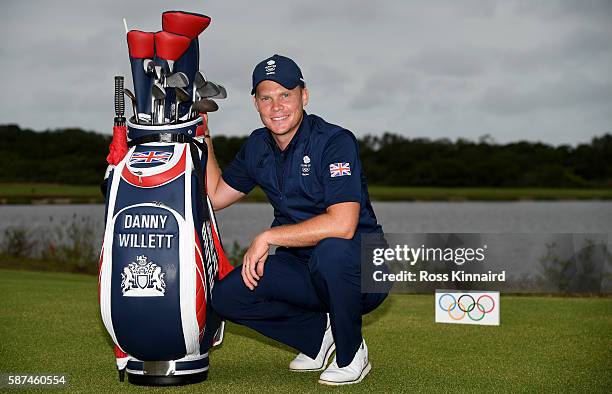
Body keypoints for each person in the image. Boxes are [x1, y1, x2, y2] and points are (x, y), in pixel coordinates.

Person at [205, 54, 388, 385]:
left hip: (362, 268)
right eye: (266, 97)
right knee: (228, 297)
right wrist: (202, 137)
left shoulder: (334, 141)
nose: (276, 106)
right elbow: (216, 197)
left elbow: (343, 224)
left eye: (285, 94)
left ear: (304, 95)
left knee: (330, 250)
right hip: (305, 269)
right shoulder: (257, 145)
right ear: (256, 103)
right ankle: (319, 335)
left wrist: (267, 237)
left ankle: (351, 354)